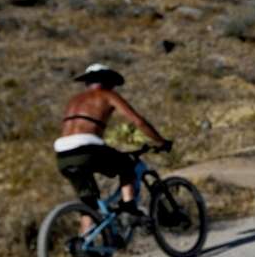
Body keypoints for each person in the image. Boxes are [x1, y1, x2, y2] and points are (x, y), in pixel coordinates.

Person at [55, 64, 172, 228]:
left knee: (89, 203)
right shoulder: (107, 95)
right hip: (87, 149)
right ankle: (130, 210)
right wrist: (161, 141)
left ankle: (85, 244)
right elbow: (138, 121)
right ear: (107, 80)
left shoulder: (74, 100)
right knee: (128, 165)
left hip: (63, 155)